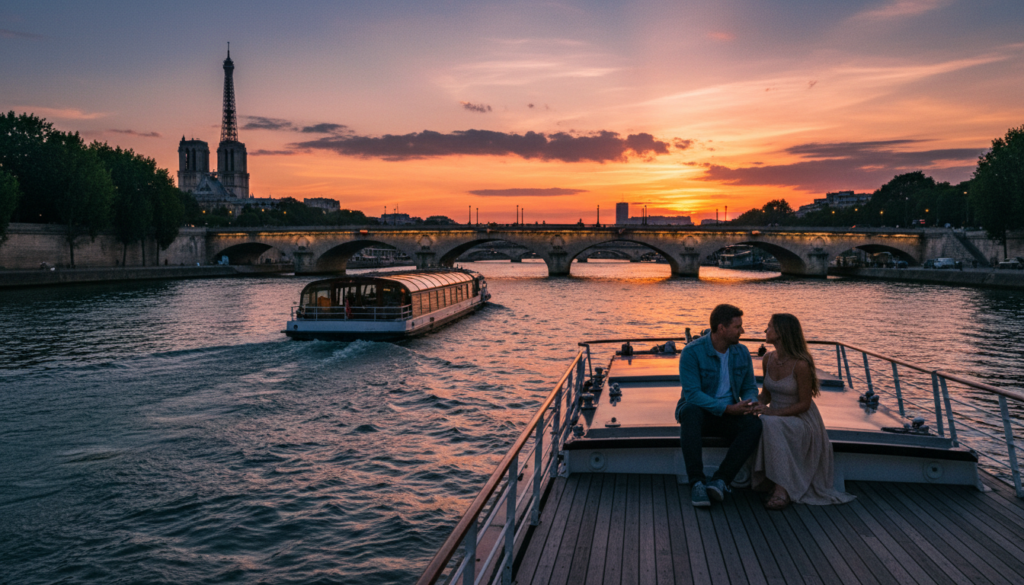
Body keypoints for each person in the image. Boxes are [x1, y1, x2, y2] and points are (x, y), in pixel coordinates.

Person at [752, 313, 855, 510]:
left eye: (769, 326)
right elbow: (766, 395)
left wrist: (771, 413)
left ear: (781, 332)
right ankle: (774, 483)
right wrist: (750, 405)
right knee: (765, 421)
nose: (766, 330)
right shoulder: (767, 359)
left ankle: (782, 490)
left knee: (769, 422)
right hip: (777, 419)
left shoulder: (801, 364)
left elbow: (804, 404)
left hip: (802, 420)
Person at [677, 304, 762, 507]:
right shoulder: (692, 352)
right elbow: (692, 394)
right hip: (702, 413)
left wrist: (750, 403)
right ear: (722, 328)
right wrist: (726, 409)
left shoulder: (741, 352)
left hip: (730, 414)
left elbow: (749, 386)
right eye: (738, 326)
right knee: (688, 412)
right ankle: (697, 482)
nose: (742, 331)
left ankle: (720, 480)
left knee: (754, 425)